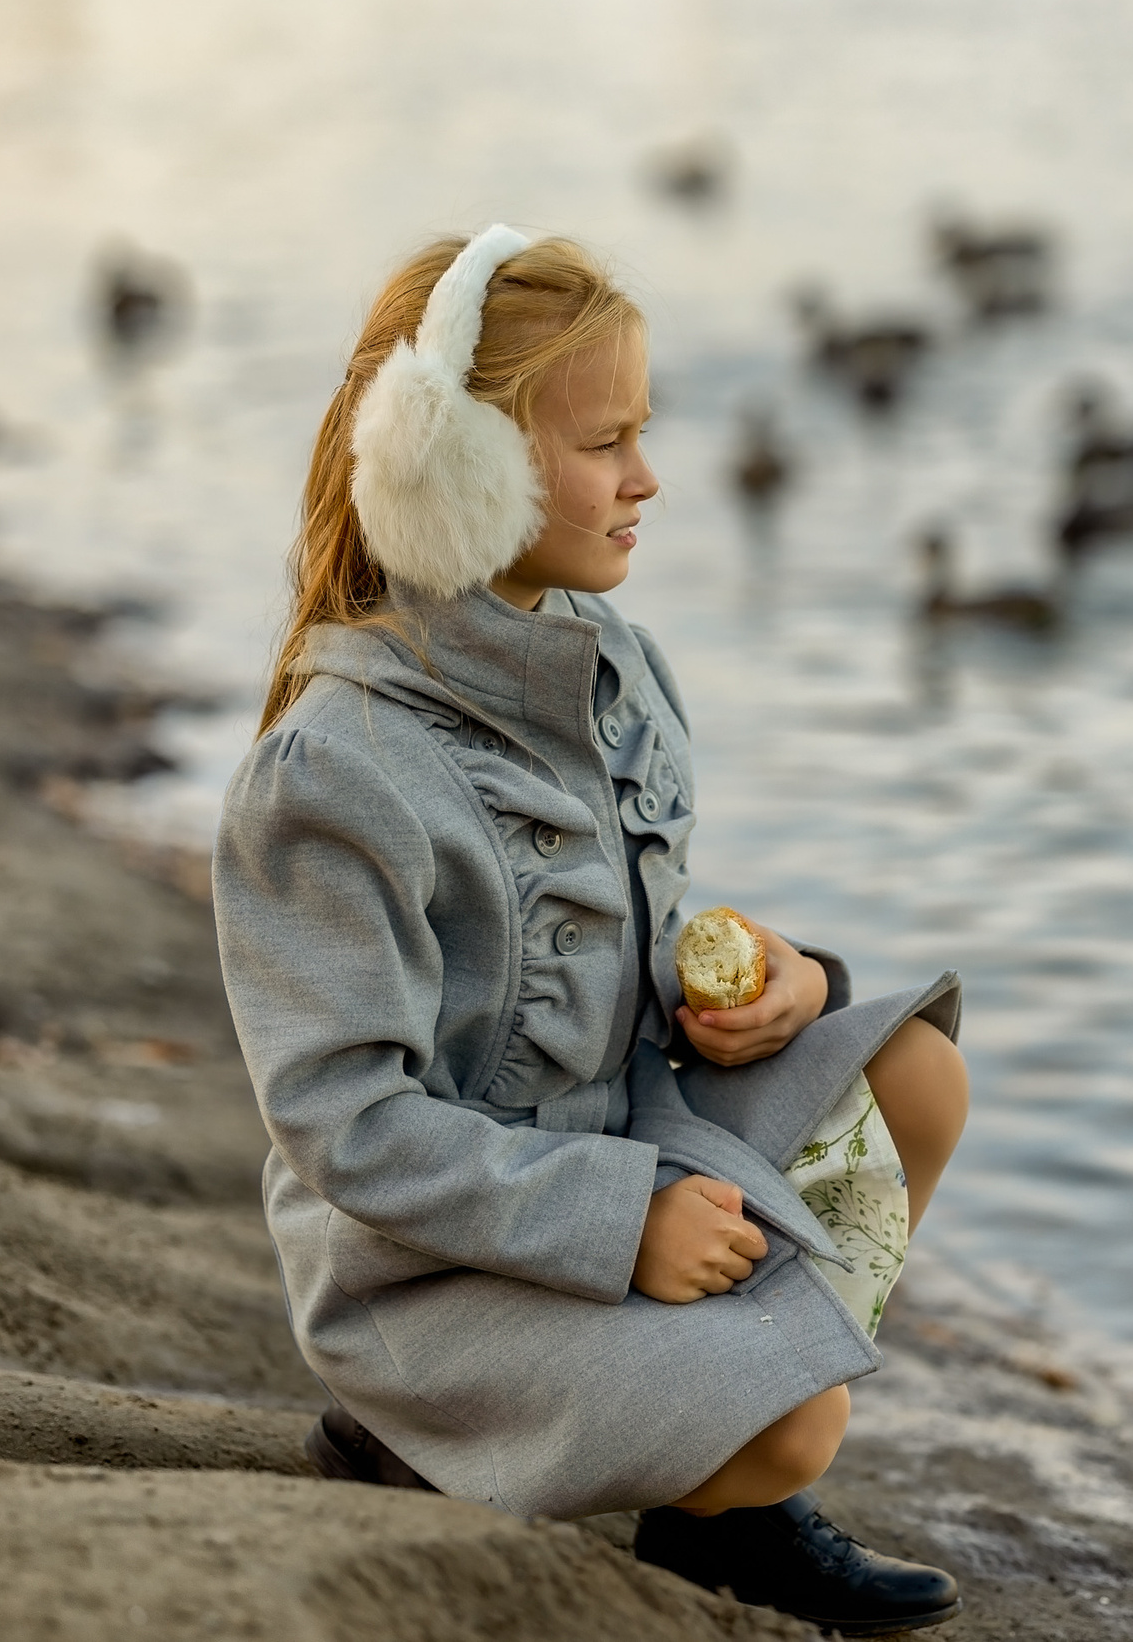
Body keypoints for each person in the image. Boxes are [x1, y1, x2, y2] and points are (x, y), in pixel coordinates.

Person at [211, 226, 970, 1636]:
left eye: (644, 432)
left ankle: (708, 1516)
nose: (649, 478)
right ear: (466, 464)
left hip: (622, 1122)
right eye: (606, 442)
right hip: (439, 1271)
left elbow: (632, 946)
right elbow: (347, 1126)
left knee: (917, 1073)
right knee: (800, 1422)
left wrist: (780, 989)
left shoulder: (613, 660)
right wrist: (624, 1225)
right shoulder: (335, 771)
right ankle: (418, 1444)